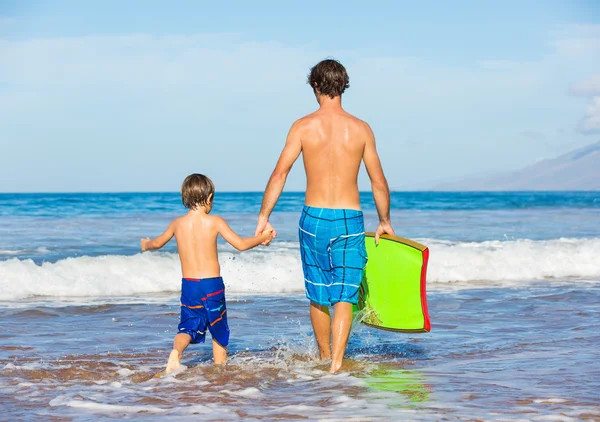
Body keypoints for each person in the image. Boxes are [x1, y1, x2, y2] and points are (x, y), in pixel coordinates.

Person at [254, 59, 394, 373]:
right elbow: (378, 182)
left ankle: (322, 356)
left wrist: (264, 217)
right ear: (343, 86)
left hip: (313, 218)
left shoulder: (302, 126)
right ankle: (337, 364)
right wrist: (384, 222)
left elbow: (280, 174)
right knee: (344, 293)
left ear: (315, 86)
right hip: (348, 217)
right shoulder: (361, 129)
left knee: (318, 292)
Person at [141, 173, 274, 374]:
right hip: (211, 285)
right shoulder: (215, 221)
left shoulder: (177, 223)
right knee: (218, 327)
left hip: (190, 285)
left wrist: (146, 245)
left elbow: (157, 243)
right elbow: (241, 244)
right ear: (209, 197)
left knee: (187, 325)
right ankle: (220, 370)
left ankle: (176, 353)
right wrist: (262, 237)